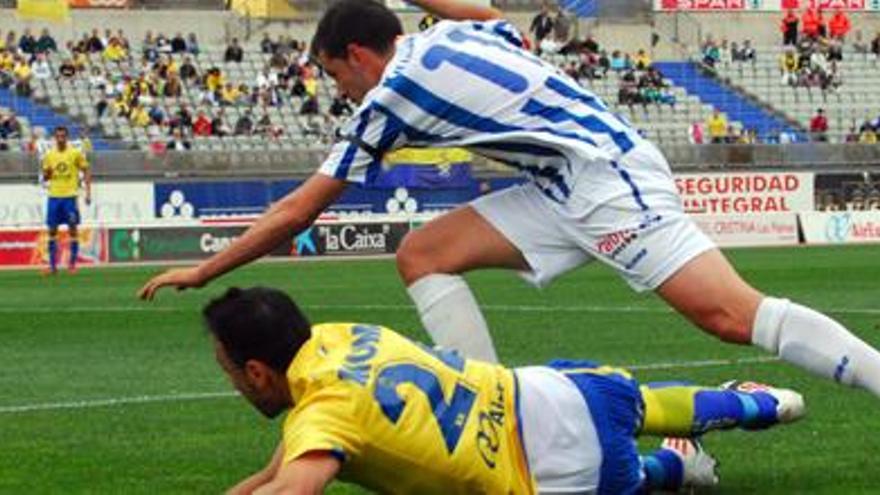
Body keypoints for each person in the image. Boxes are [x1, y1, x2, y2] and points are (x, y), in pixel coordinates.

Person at [140, 0, 880, 401]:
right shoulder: (456, 34)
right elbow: (495, 15)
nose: (342, 92)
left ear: (358, 56)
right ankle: (486, 406)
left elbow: (298, 212)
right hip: (561, 185)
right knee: (424, 253)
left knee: (729, 316)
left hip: (604, 180)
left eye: (337, 76)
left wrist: (204, 270)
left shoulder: (390, 93)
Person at [208, 287, 805, 495]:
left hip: (552, 477)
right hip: (546, 392)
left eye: (229, 373)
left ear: (258, 372)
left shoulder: (322, 418)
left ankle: (677, 469)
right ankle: (761, 403)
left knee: (631, 474)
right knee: (643, 402)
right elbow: (278, 470)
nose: (232, 384)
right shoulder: (340, 336)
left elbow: (294, 483)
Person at [41, 127, 90, 275]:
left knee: (73, 229)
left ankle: (72, 265)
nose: (60, 139)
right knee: (52, 230)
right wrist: (47, 174)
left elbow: (86, 170)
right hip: (54, 197)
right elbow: (46, 177)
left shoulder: (75, 153)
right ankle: (52, 266)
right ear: (55, 138)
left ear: (67, 138)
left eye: (63, 136)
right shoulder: (49, 155)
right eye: (58, 136)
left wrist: (88, 192)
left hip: (70, 197)